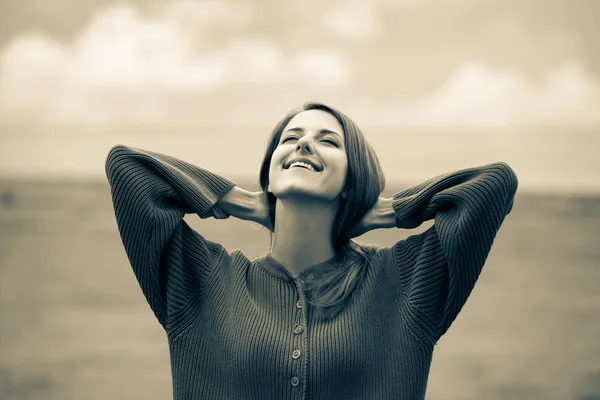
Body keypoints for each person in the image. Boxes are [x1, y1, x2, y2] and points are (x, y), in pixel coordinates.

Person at [105, 101, 518, 400]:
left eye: (328, 141)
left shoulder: (405, 283)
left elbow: (491, 186)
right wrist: (244, 202)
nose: (303, 145)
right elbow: (128, 170)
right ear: (270, 170)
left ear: (354, 177)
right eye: (290, 138)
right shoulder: (203, 282)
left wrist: (384, 211)